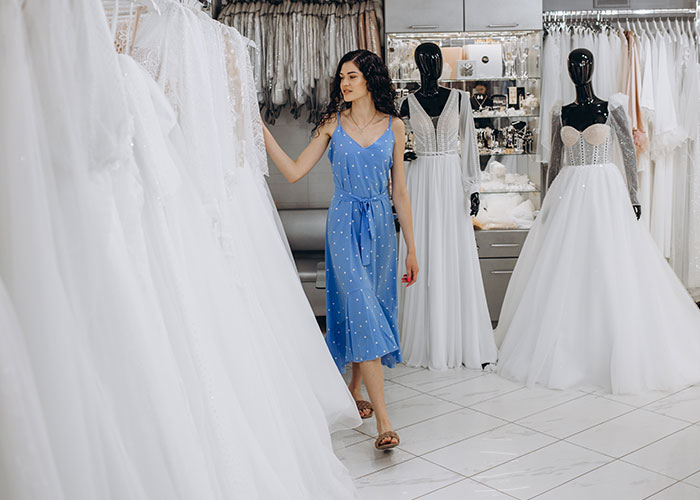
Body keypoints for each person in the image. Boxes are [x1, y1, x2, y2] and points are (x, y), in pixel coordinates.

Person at [262, 49, 418, 450]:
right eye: (341, 78)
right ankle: (384, 421)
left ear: (369, 79)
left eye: (351, 77)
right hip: (344, 222)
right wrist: (260, 130)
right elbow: (295, 172)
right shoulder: (333, 122)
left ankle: (353, 390)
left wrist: (412, 249)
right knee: (363, 308)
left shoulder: (394, 126)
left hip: (383, 225)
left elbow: (399, 190)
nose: (343, 84)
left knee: (373, 306)